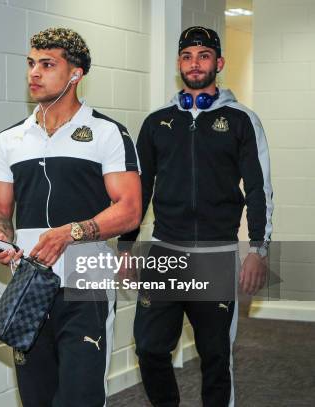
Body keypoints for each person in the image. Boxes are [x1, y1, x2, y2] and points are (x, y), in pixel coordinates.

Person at [118, 26, 273, 407]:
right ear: (179, 64)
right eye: (187, 56)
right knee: (151, 350)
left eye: (203, 56)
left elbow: (259, 189)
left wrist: (258, 249)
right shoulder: (157, 123)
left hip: (216, 255)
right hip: (165, 252)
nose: (195, 63)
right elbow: (138, 192)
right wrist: (126, 246)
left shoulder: (241, 121)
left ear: (218, 63)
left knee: (216, 357)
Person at [0, 27, 142, 407]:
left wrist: (70, 233)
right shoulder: (9, 140)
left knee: (79, 398)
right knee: (37, 397)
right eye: (30, 63)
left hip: (86, 279)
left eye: (46, 64)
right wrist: (0, 239)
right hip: (29, 284)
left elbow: (129, 209)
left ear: (75, 74)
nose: (33, 73)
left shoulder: (108, 133)